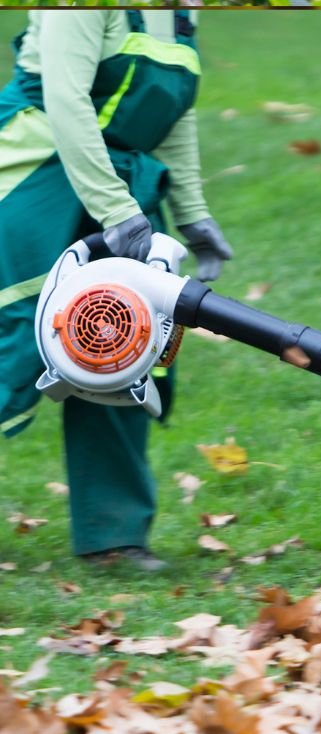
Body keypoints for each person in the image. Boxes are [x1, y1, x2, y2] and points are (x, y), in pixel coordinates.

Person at [0, 11, 232, 571]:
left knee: (124, 345)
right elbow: (66, 100)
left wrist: (193, 214)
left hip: (119, 188)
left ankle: (113, 536)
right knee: (16, 345)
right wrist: (117, 211)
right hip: (36, 174)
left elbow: (173, 112)